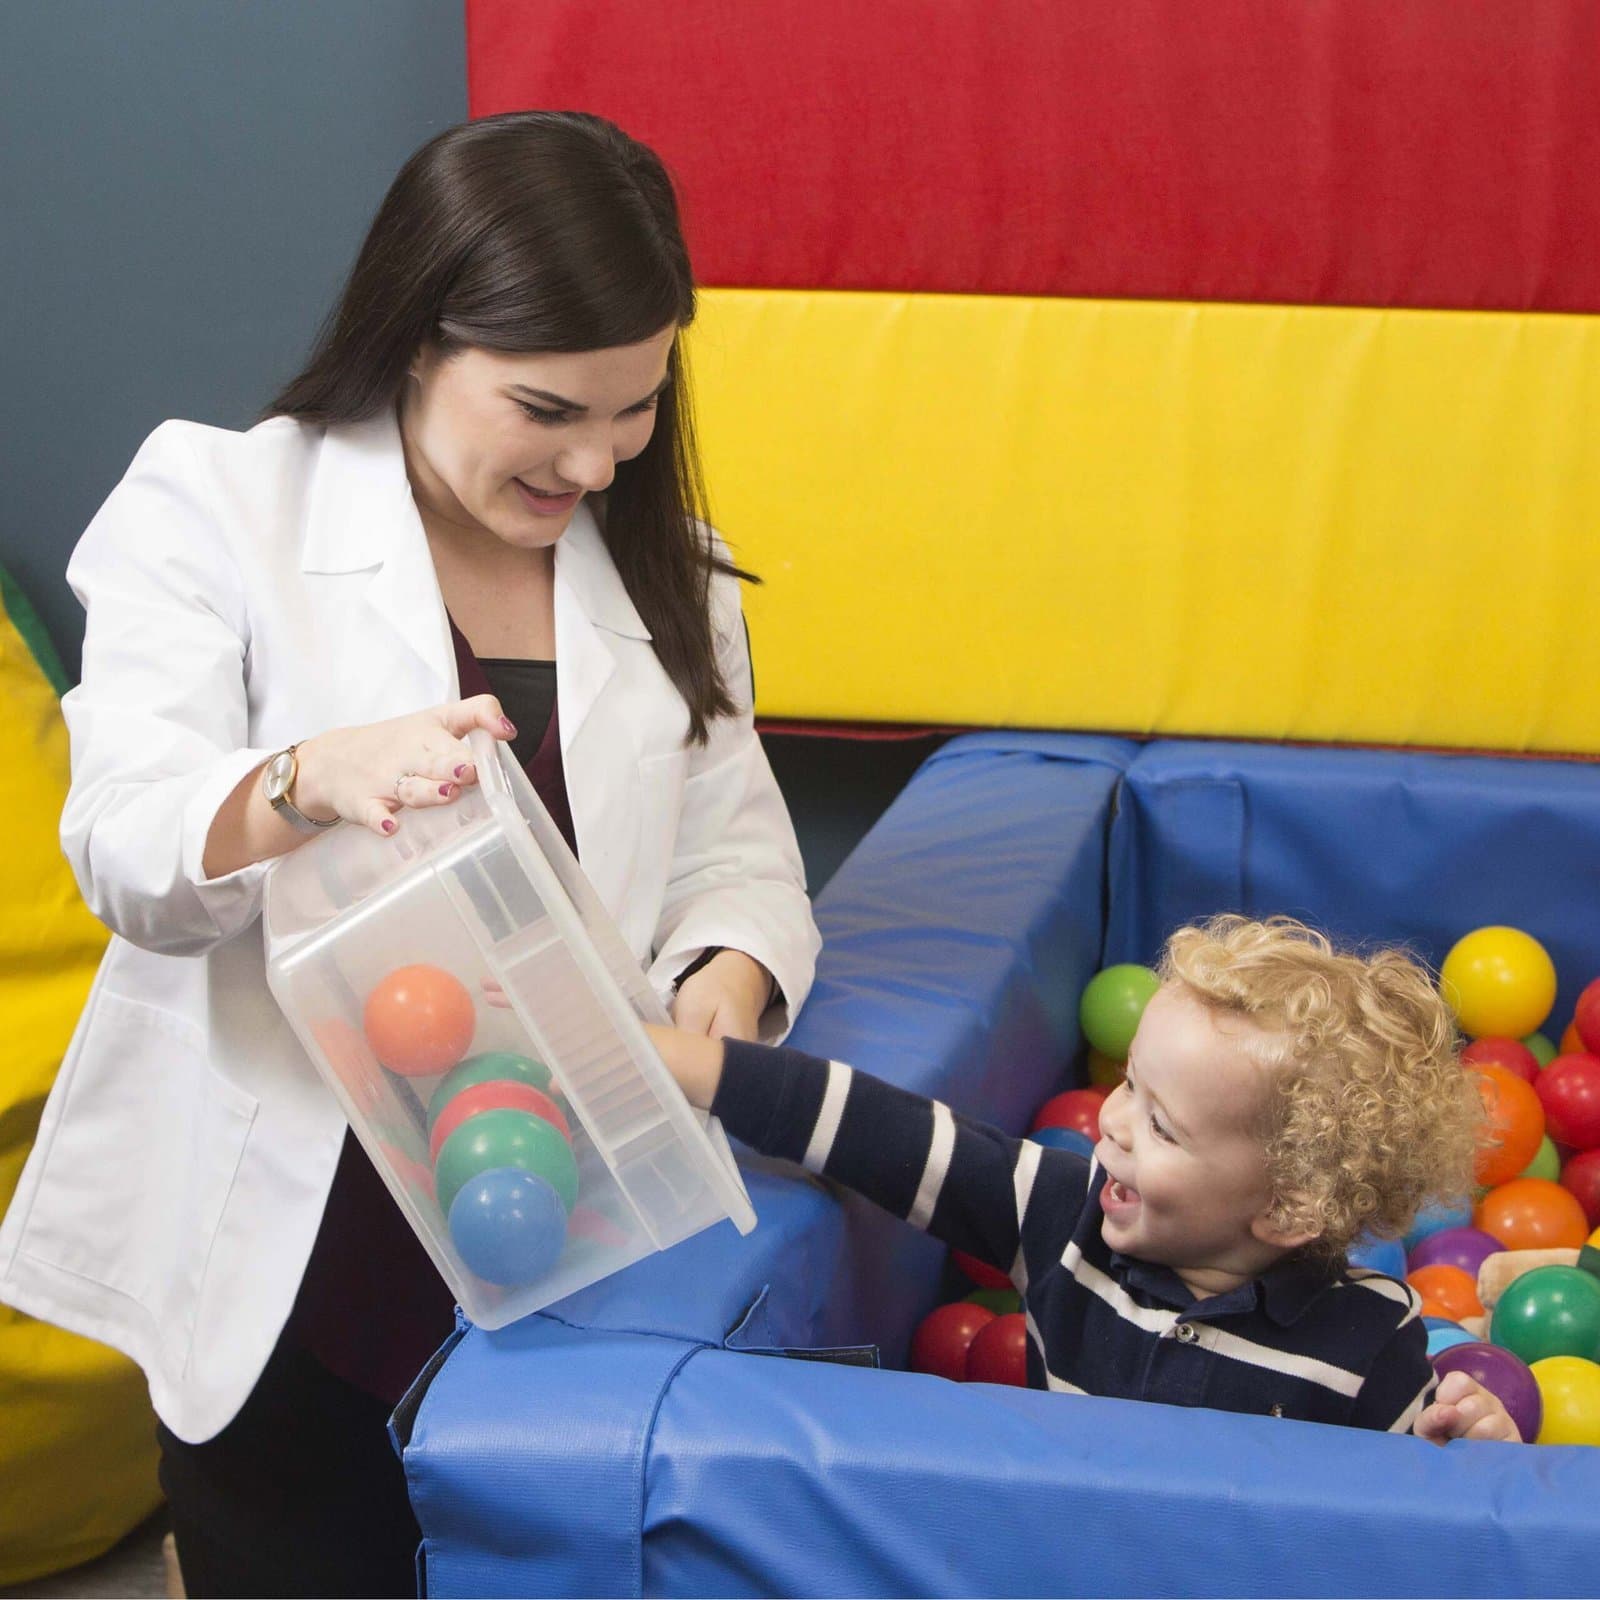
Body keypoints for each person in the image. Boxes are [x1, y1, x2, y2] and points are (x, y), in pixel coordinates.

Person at [0, 111, 819, 1596]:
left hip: (570, 1233)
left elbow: (738, 848)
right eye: (547, 408)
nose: (598, 458)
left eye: (635, 409)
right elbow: (122, 845)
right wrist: (308, 778)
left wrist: (730, 982)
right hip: (301, 1259)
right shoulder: (217, 507)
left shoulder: (671, 575)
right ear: (418, 336)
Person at [648, 914, 1522, 1443]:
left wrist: (1475, 1444)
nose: (1110, 1122)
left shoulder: (1369, 1339)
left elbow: (1423, 1517)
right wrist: (684, 1063)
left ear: (1289, 1204)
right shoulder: (1061, 1215)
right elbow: (882, 1133)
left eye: (1162, 1125)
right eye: (1126, 1085)